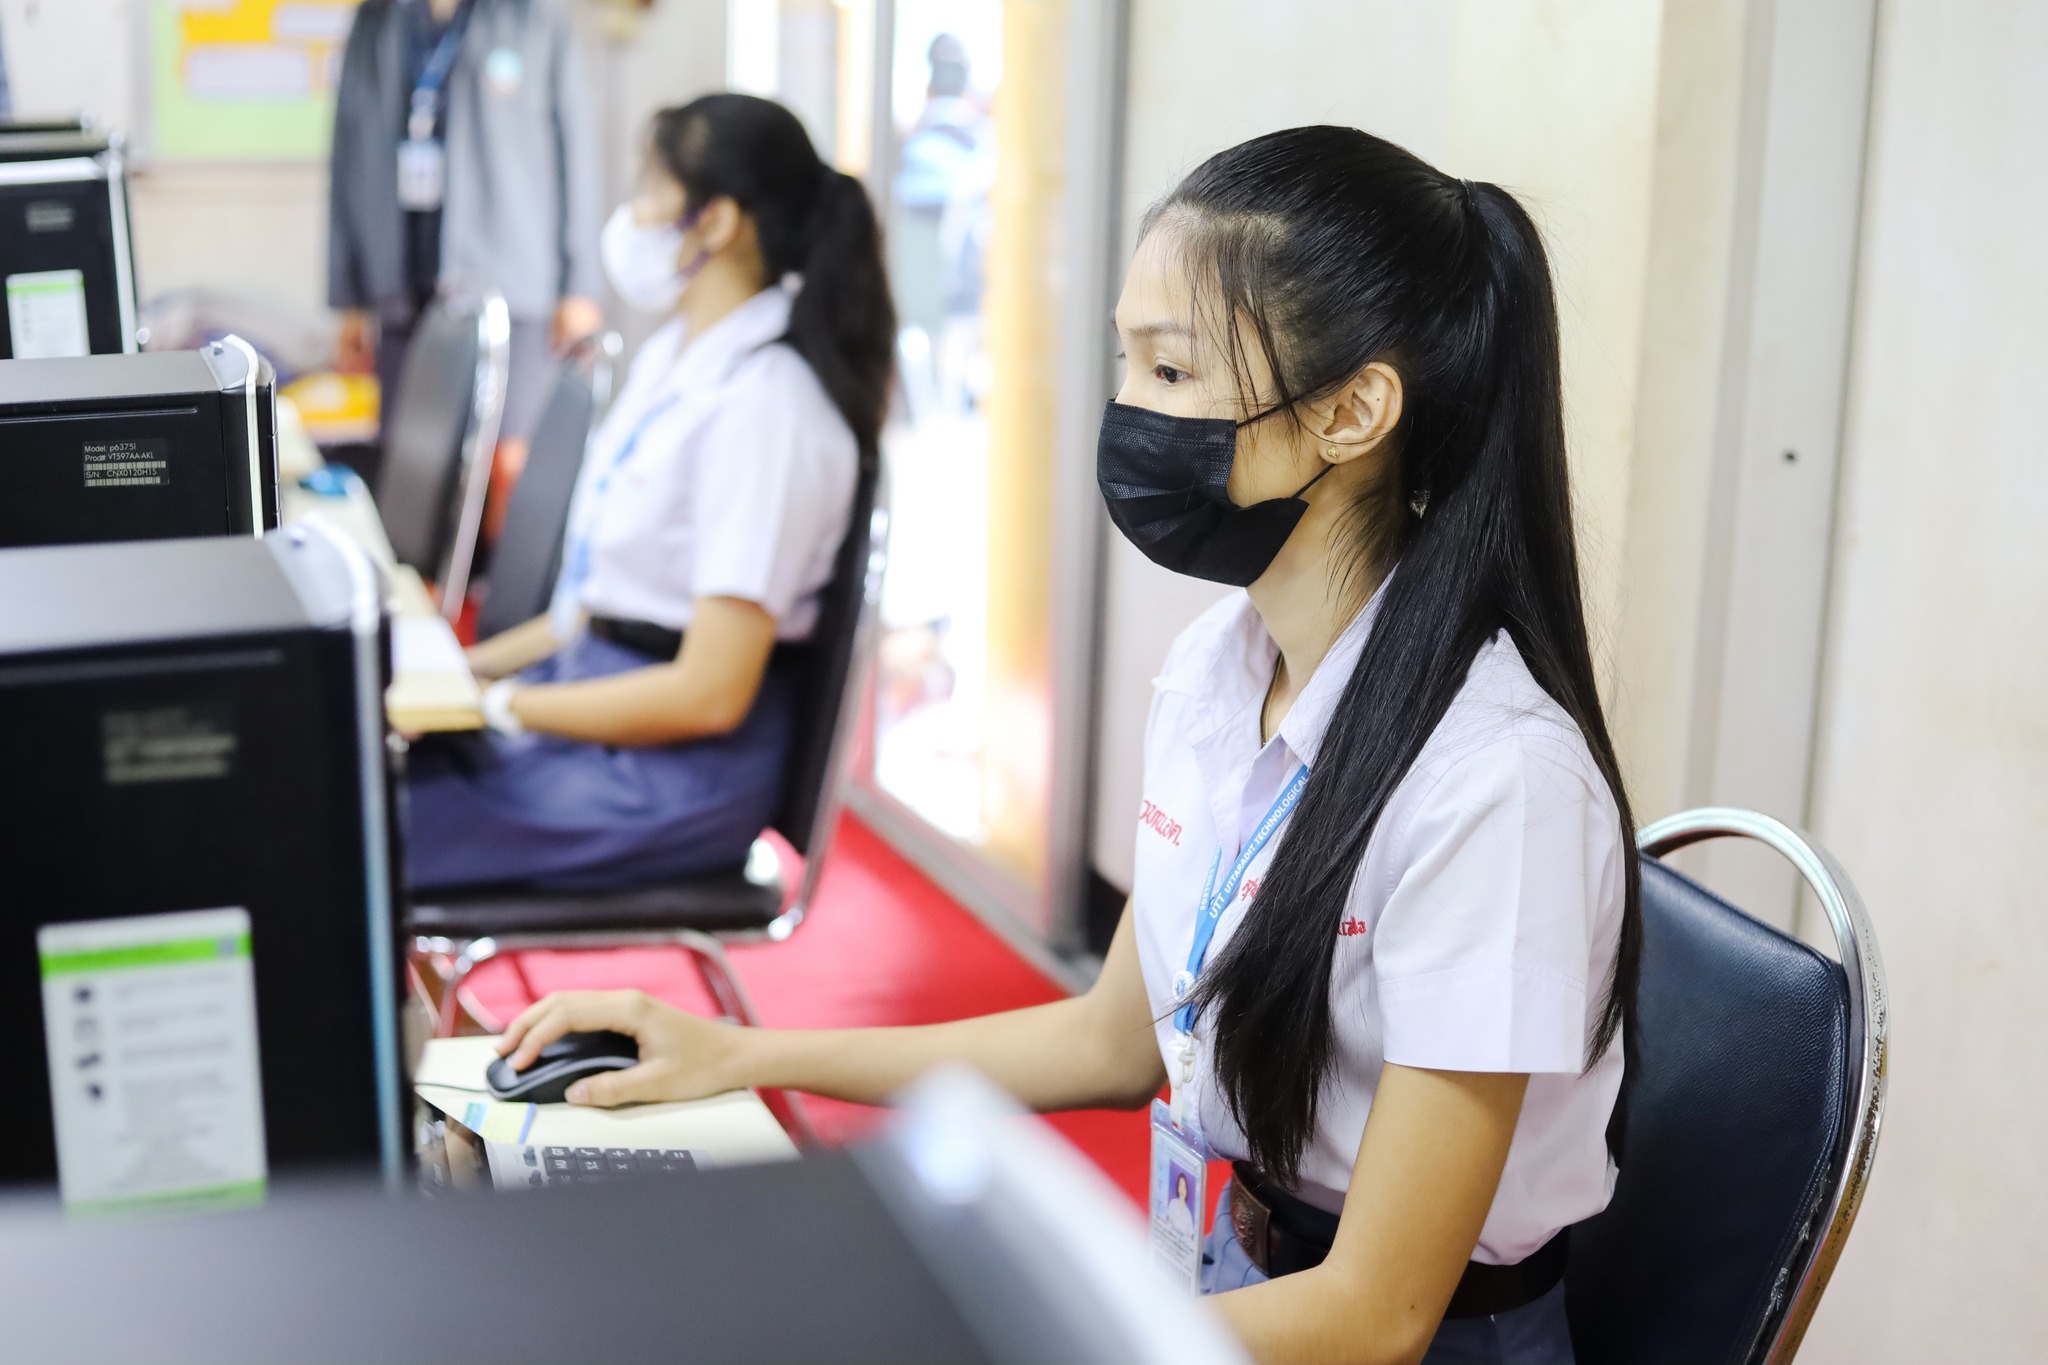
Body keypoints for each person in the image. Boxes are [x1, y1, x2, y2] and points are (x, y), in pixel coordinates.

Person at [495, 124, 1638, 1365]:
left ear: (1353, 412)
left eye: (1172, 370)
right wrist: (737, 1053)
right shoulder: (1220, 667)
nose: (1127, 414)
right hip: (1221, 1282)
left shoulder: (1495, 781)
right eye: (1124, 361)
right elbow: (1111, 1041)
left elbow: (1375, 1313)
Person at [403, 94, 894, 891]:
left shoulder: (767, 408)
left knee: (352, 821)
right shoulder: (678, 360)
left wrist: (497, 706)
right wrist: (454, 674)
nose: (631, 212)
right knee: (355, 779)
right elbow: (593, 613)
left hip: (667, 772)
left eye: (649, 188)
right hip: (596, 708)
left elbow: (707, 693)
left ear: (717, 221)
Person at [328, 0, 603, 445]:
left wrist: (580, 286)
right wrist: (351, 296)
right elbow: (347, 154)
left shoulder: (535, 16)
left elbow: (575, 151)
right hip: (400, 277)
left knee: (508, 454)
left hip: (513, 278)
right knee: (411, 450)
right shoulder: (376, 17)